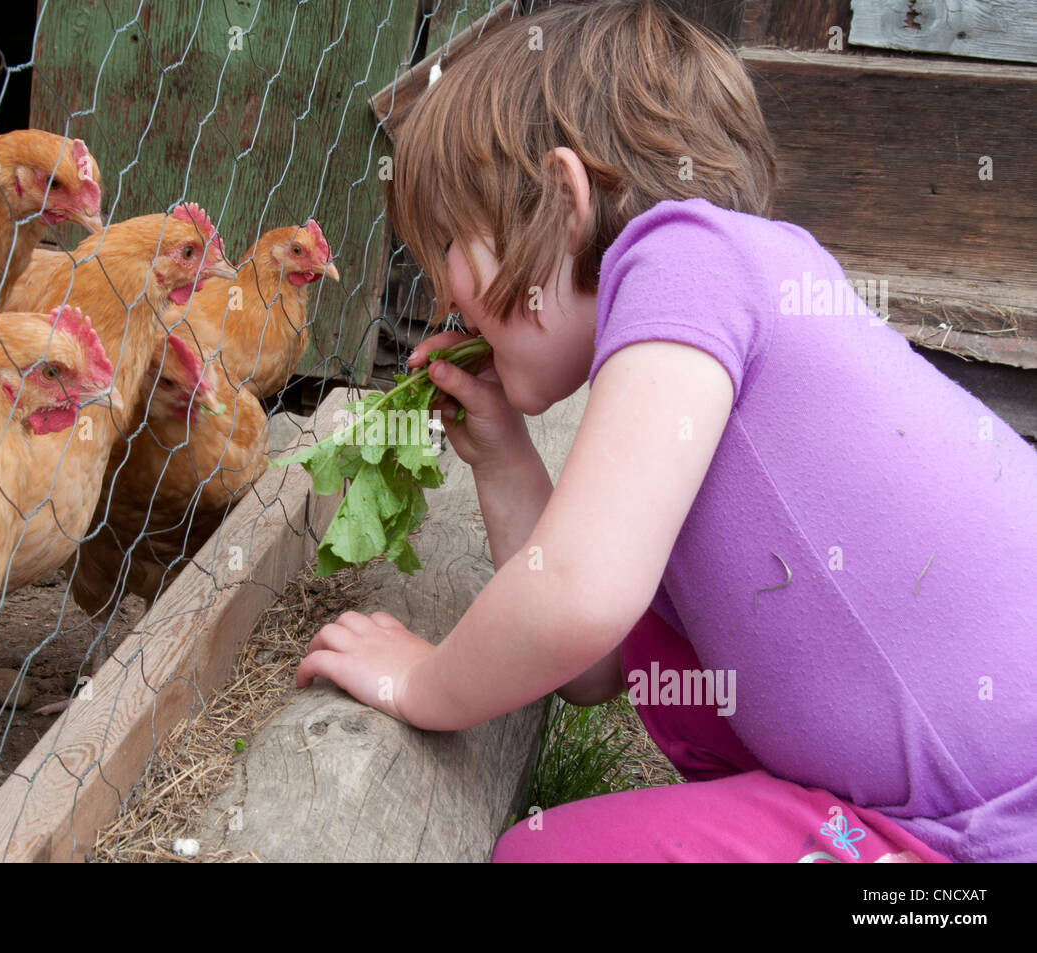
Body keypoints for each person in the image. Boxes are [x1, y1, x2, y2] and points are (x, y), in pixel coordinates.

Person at [294, 0, 1037, 862]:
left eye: (452, 247)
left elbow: (574, 598)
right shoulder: (726, 326)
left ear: (564, 201)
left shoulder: (685, 255)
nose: (442, 300)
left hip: (994, 824)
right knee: (672, 669)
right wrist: (500, 452)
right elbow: (592, 666)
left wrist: (423, 681)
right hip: (972, 790)